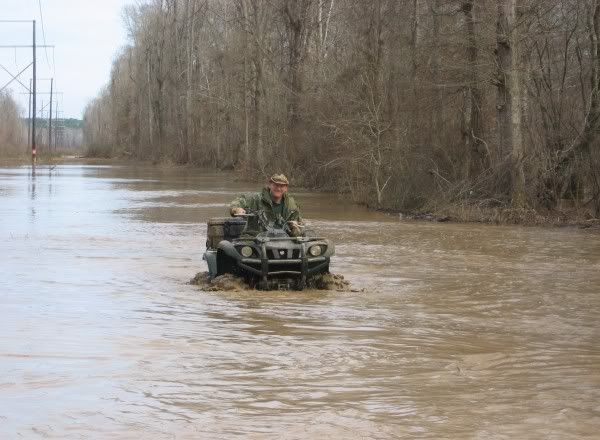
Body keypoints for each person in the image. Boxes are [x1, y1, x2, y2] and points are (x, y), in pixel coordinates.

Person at [230, 173, 304, 236]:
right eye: (276, 185)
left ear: (286, 188)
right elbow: (238, 202)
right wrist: (237, 209)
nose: (278, 188)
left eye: (282, 186)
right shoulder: (255, 199)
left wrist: (295, 228)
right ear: (270, 185)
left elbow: (300, 230)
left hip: (283, 241)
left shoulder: (292, 206)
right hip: (255, 240)